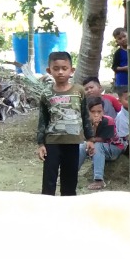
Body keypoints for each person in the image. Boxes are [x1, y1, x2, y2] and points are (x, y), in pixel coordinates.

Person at [35, 51, 95, 196]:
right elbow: (43, 119)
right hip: (52, 142)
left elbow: (85, 115)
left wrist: (90, 139)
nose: (60, 72)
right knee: (49, 180)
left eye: (64, 68)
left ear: (71, 70)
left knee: (70, 179)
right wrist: (41, 144)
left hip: (73, 142)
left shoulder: (79, 91)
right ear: (49, 71)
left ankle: (69, 211)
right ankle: (47, 209)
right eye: (56, 69)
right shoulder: (46, 94)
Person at [77, 96, 125, 191]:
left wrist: (95, 126)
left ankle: (99, 179)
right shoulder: (83, 122)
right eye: (92, 112)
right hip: (99, 147)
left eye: (99, 112)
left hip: (114, 148)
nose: (96, 115)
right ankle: (70, 173)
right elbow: (83, 138)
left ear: (103, 111)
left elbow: (101, 139)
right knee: (81, 146)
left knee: (97, 146)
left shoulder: (108, 121)